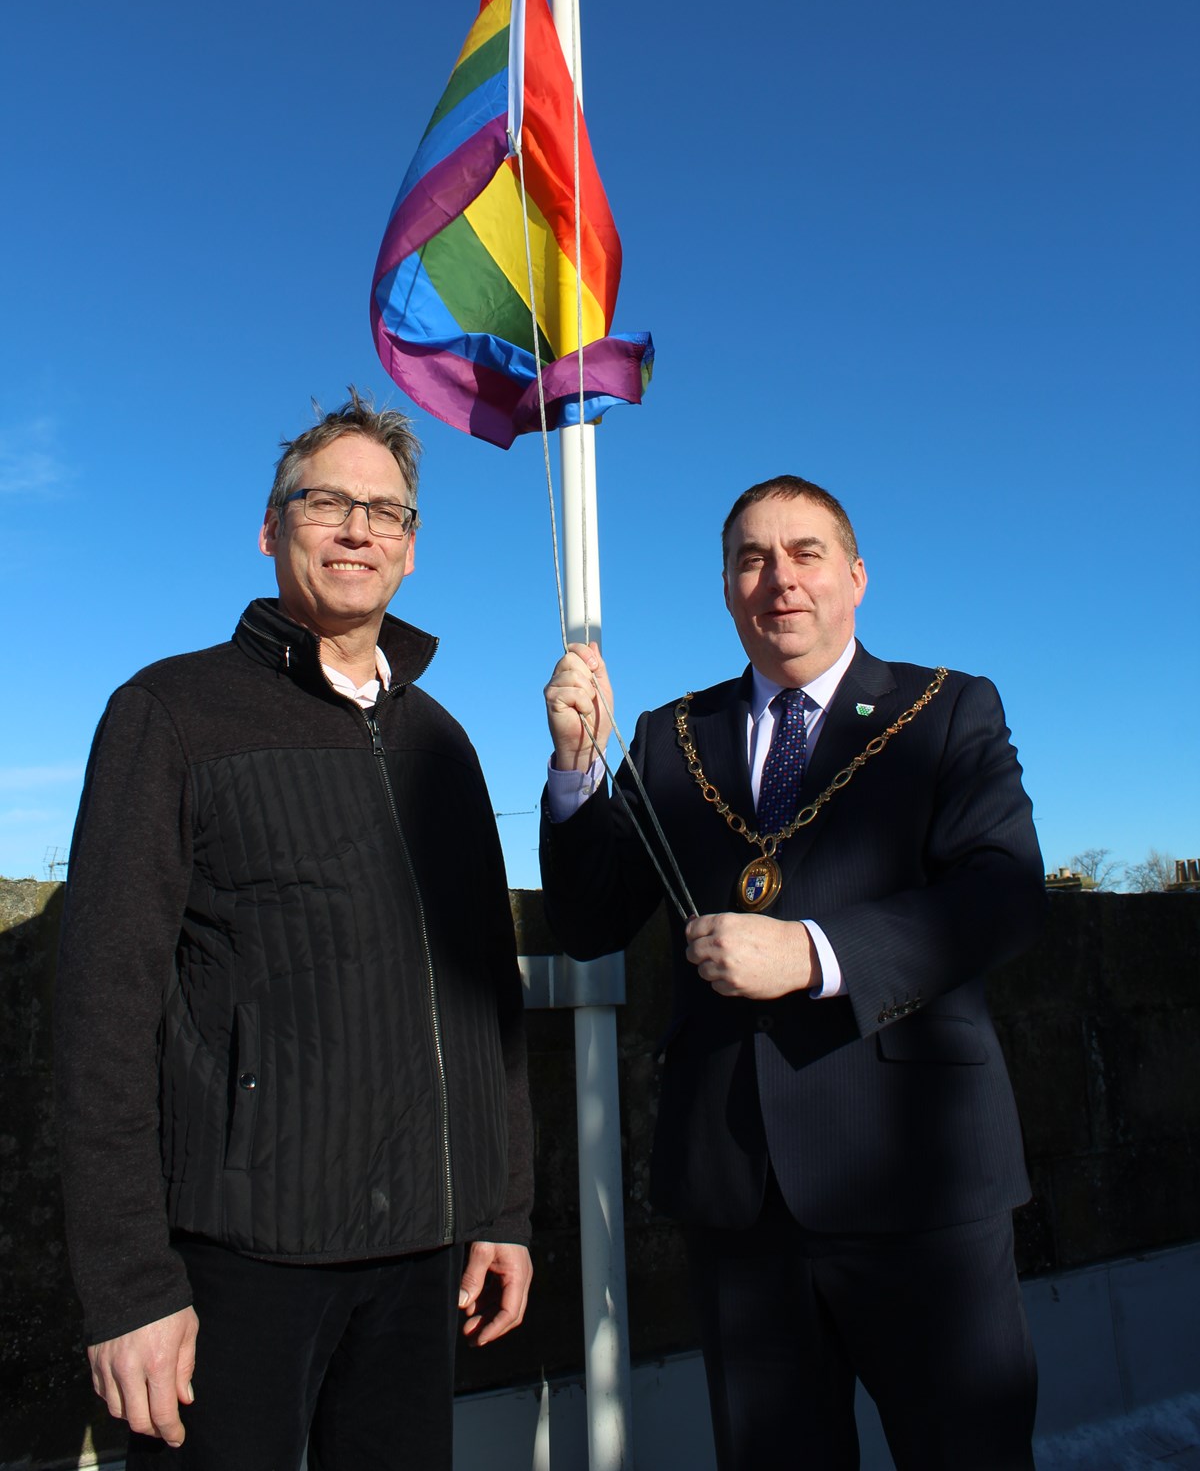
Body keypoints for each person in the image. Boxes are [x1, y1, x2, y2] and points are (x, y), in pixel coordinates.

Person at [55, 392, 532, 1470]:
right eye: (327, 502)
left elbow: (483, 991)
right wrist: (128, 1285)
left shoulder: (443, 742)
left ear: (410, 551)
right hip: (239, 1265)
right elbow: (102, 1008)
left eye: (387, 512)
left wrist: (504, 1207)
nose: (358, 529)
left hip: (422, 1257)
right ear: (271, 529)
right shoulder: (171, 713)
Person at [541, 475, 1046, 1471]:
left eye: (806, 553)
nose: (780, 579)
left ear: (855, 577)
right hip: (741, 1194)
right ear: (727, 589)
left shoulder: (948, 711)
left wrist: (815, 956)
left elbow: (1003, 894)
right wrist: (573, 770)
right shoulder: (667, 738)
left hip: (919, 1187)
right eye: (751, 559)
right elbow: (593, 922)